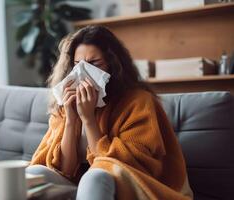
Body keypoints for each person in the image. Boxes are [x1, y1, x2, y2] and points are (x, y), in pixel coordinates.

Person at [26, 25, 193, 200]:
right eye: (77, 64)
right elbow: (64, 170)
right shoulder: (66, 102)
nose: (82, 72)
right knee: (33, 174)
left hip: (126, 185)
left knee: (95, 176)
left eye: (93, 64)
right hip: (82, 188)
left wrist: (88, 119)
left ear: (112, 65)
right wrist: (71, 119)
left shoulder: (139, 102)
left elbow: (126, 167)